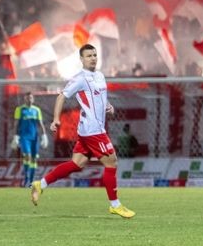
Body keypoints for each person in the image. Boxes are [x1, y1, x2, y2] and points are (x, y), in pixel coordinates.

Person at [30, 44, 135, 219]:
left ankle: (40, 184)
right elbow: (61, 96)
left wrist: (107, 106)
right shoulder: (80, 79)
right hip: (93, 130)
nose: (93, 58)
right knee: (112, 162)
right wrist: (56, 119)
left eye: (94, 55)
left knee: (77, 164)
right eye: (88, 56)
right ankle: (115, 205)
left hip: (89, 130)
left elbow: (99, 97)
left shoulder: (100, 76)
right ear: (81, 59)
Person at [13, 92, 48, 187]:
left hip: (34, 138)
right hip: (24, 137)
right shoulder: (20, 109)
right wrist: (15, 136)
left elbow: (40, 123)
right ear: (25, 99)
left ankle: (31, 181)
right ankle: (26, 179)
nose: (30, 99)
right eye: (28, 98)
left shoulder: (36, 110)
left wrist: (44, 135)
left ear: (33, 99)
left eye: (31, 98)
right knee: (27, 155)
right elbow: (16, 124)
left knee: (33, 159)